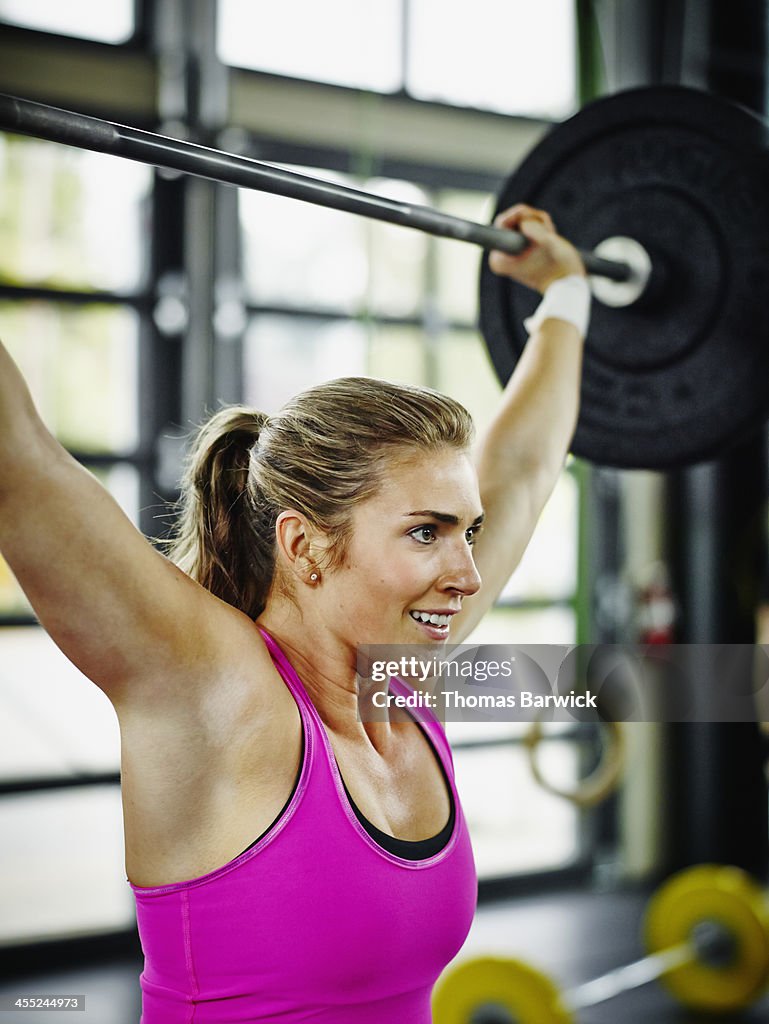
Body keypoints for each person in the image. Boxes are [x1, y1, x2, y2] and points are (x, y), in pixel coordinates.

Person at [0, 204, 589, 1022]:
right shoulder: (213, 690)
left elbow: (522, 468)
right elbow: (18, 459)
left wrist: (565, 294)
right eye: (426, 532)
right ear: (304, 547)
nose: (464, 572)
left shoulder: (402, 672)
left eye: (468, 532)